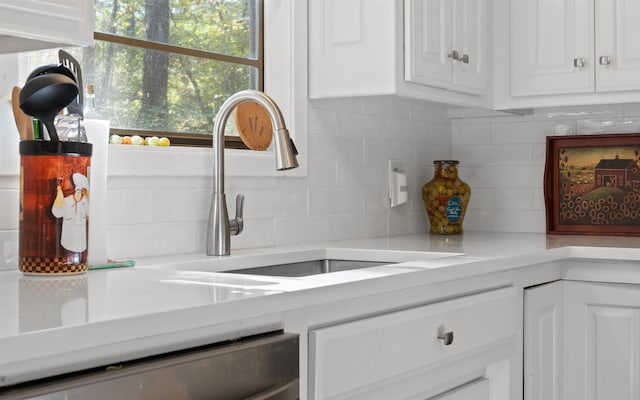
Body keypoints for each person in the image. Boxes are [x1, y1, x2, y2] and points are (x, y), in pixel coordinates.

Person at [52, 173, 90, 253]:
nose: (78, 194)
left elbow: (90, 214)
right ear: (75, 191)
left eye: (80, 192)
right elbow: (57, 213)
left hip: (81, 240)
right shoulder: (67, 201)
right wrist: (58, 199)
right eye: (77, 191)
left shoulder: (85, 202)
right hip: (68, 239)